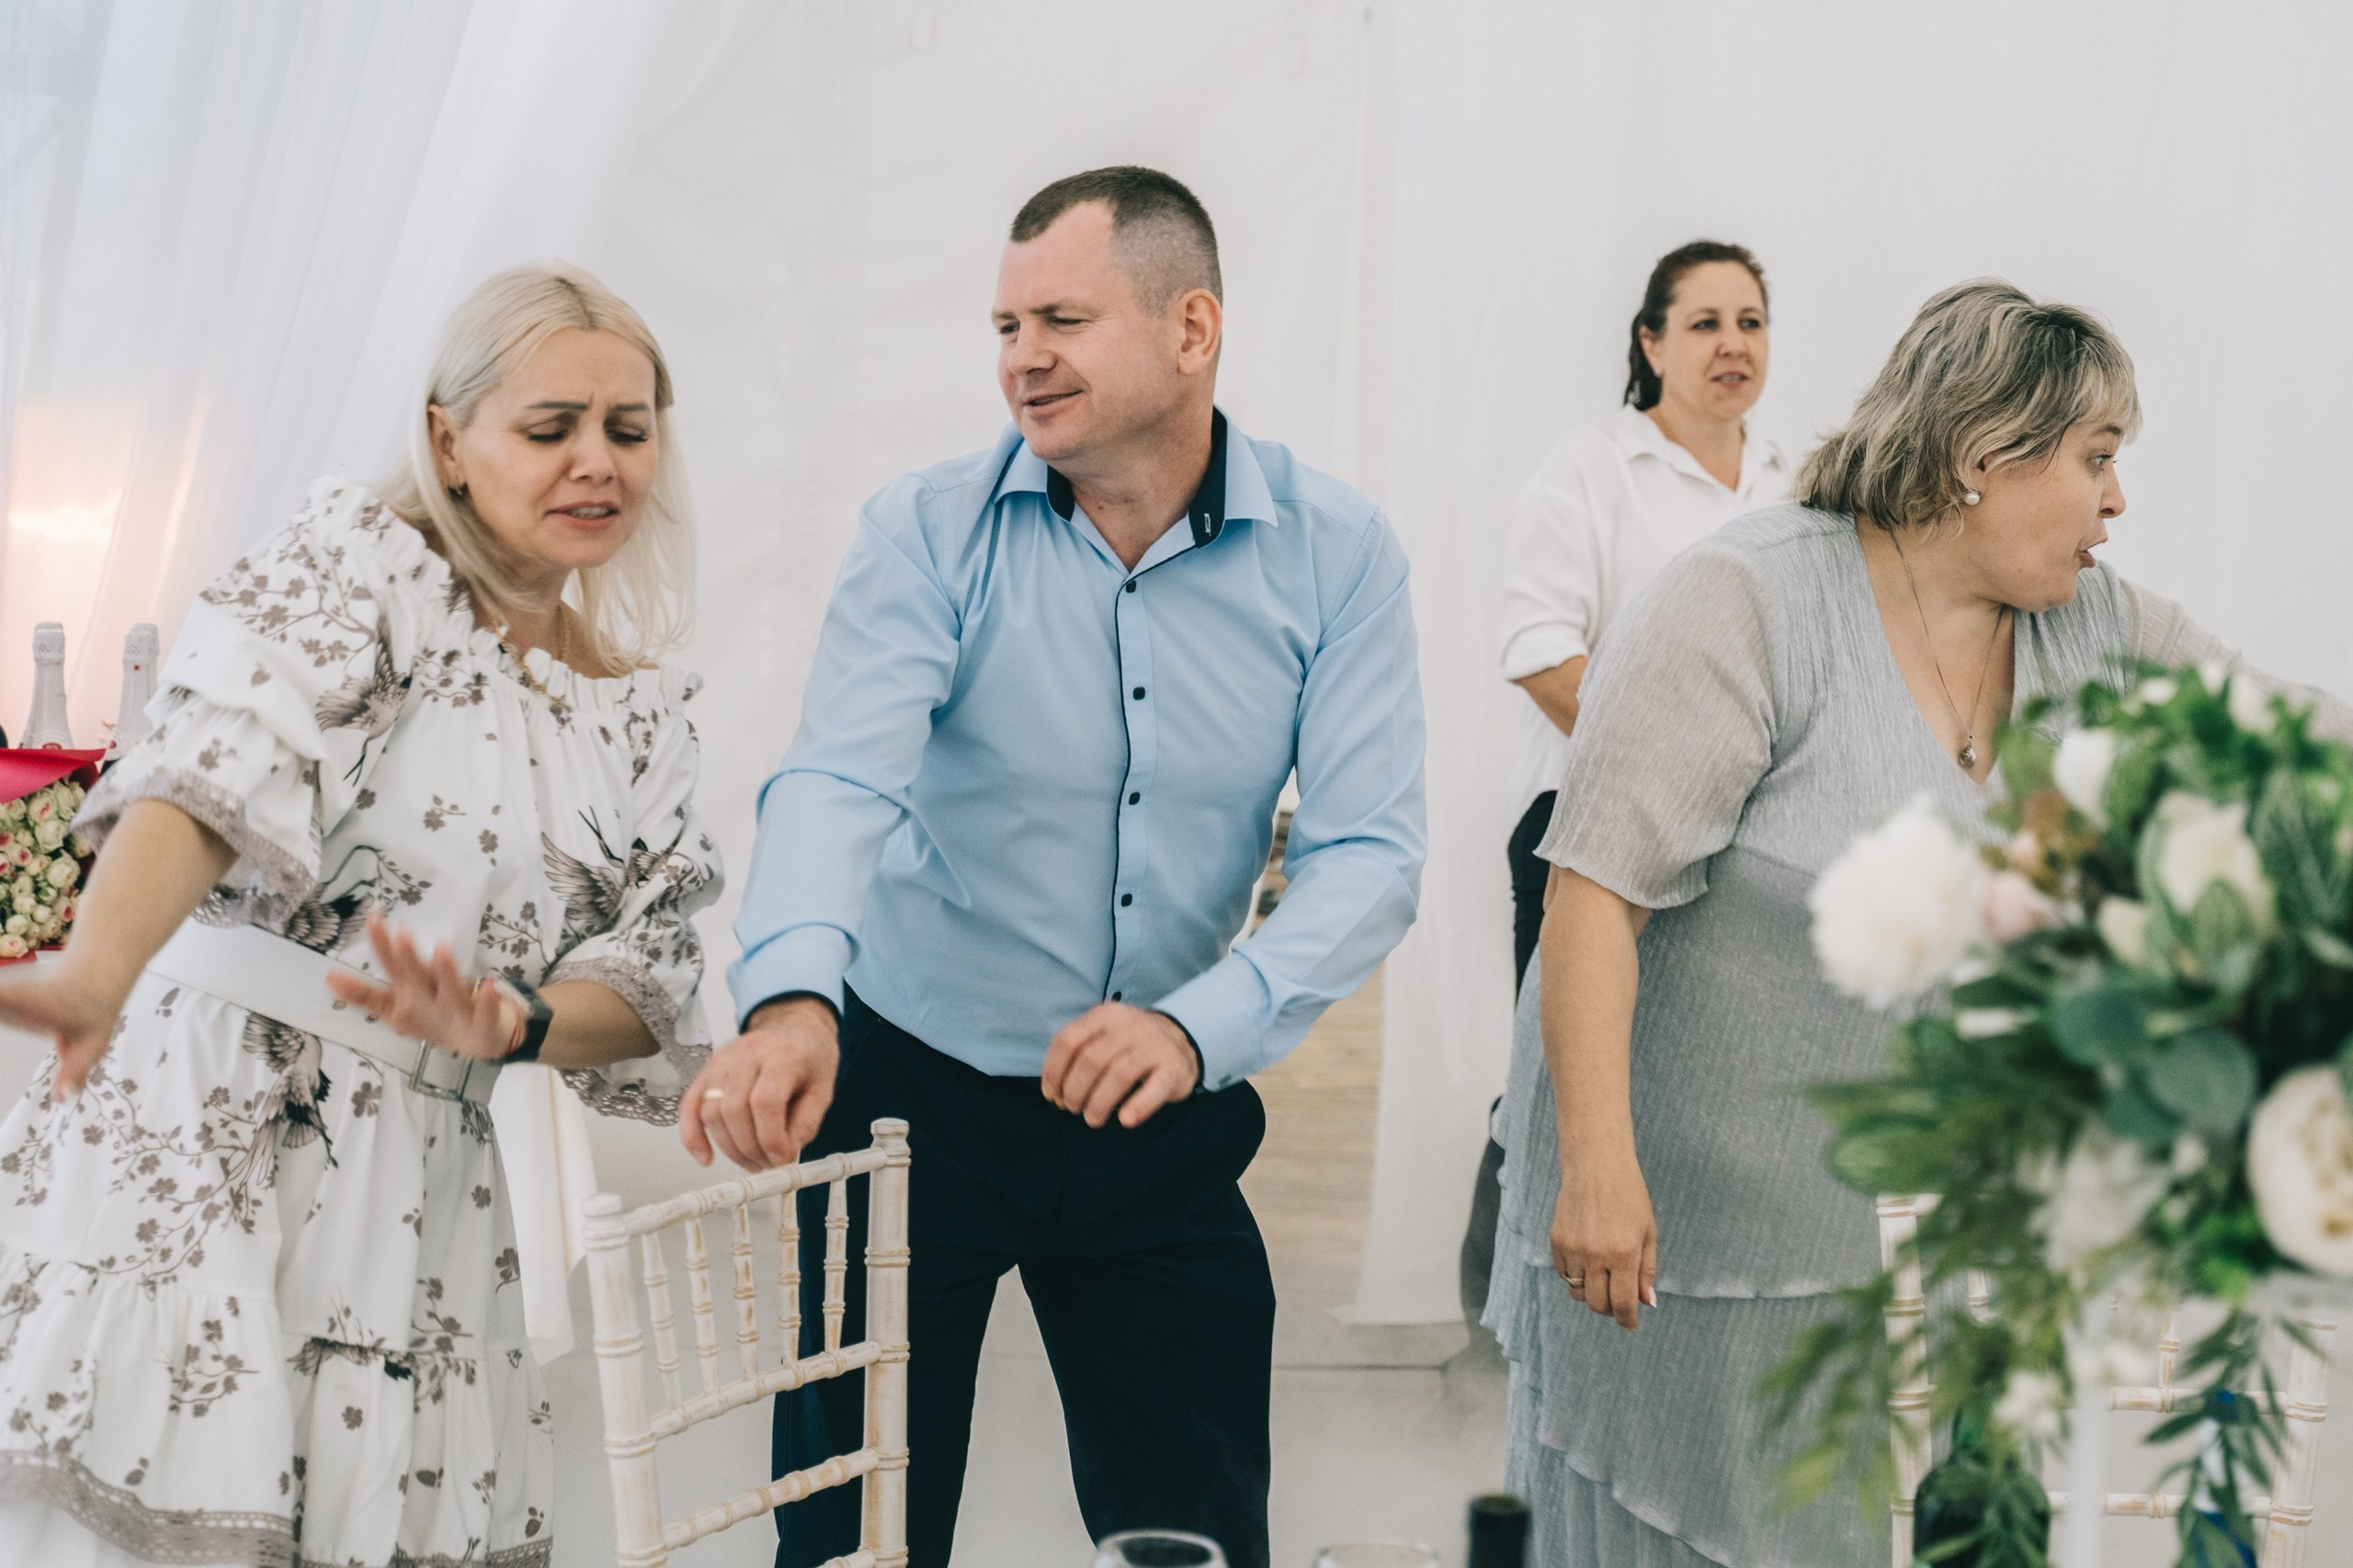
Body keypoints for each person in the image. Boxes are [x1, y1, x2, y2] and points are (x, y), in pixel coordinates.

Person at [1487, 279, 2353, 1565]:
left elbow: (2290, 739)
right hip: (1684, 1235)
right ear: (1978, 456)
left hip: (1919, 1243)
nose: (2117, 498)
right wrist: (1597, 1168)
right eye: (2096, 458)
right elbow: (1592, 893)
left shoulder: (2095, 627)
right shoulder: (1743, 601)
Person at [689, 165, 1426, 1568]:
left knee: (1190, 1542)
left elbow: (1369, 853)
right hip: (907, 1104)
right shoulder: (925, 530)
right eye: (1006, 325)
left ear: (1192, 329)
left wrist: (1198, 1027)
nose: (1022, 356)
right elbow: (841, 777)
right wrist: (792, 1000)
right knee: (851, 1542)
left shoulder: (1340, 556)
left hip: (1159, 1093)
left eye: (1062, 320)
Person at [0, 264, 722, 1566]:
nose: (598, 462)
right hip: (216, 1122)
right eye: (549, 427)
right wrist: (96, 971)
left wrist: (517, 1017)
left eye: (628, 427)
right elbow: (218, 765)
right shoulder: (358, 574)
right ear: (448, 440)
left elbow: (647, 970)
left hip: (421, 1188)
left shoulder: (636, 711)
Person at [1465, 241, 1790, 1320]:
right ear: (1649, 344)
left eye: (1749, 321)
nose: (1731, 344)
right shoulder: (1591, 469)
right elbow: (1539, 652)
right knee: (1561, 1093)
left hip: (1747, 849)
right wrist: (1671, 768)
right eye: (1703, 323)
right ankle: (1507, 1323)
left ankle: (1675, 1315)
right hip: (1586, 833)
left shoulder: (1798, 486)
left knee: (1696, 1100)